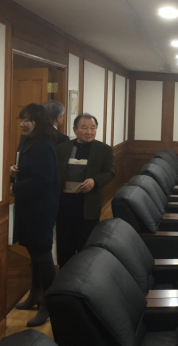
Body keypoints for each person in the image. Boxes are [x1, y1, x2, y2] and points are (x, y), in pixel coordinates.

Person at [10, 104, 59, 327]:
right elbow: (27, 170)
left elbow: (43, 180)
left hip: (41, 209)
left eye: (28, 120)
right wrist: (14, 172)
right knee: (34, 254)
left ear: (38, 122)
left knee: (42, 254)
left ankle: (49, 303)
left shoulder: (44, 145)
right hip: (27, 207)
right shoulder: (26, 141)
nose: (23, 124)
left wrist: (15, 188)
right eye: (22, 119)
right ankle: (35, 295)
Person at [56, 113, 115, 268]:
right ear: (75, 130)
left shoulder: (103, 149)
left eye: (93, 128)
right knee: (64, 243)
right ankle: (65, 274)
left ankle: (84, 274)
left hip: (88, 203)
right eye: (84, 128)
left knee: (86, 243)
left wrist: (95, 181)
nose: (89, 132)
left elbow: (110, 173)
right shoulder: (63, 148)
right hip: (64, 202)